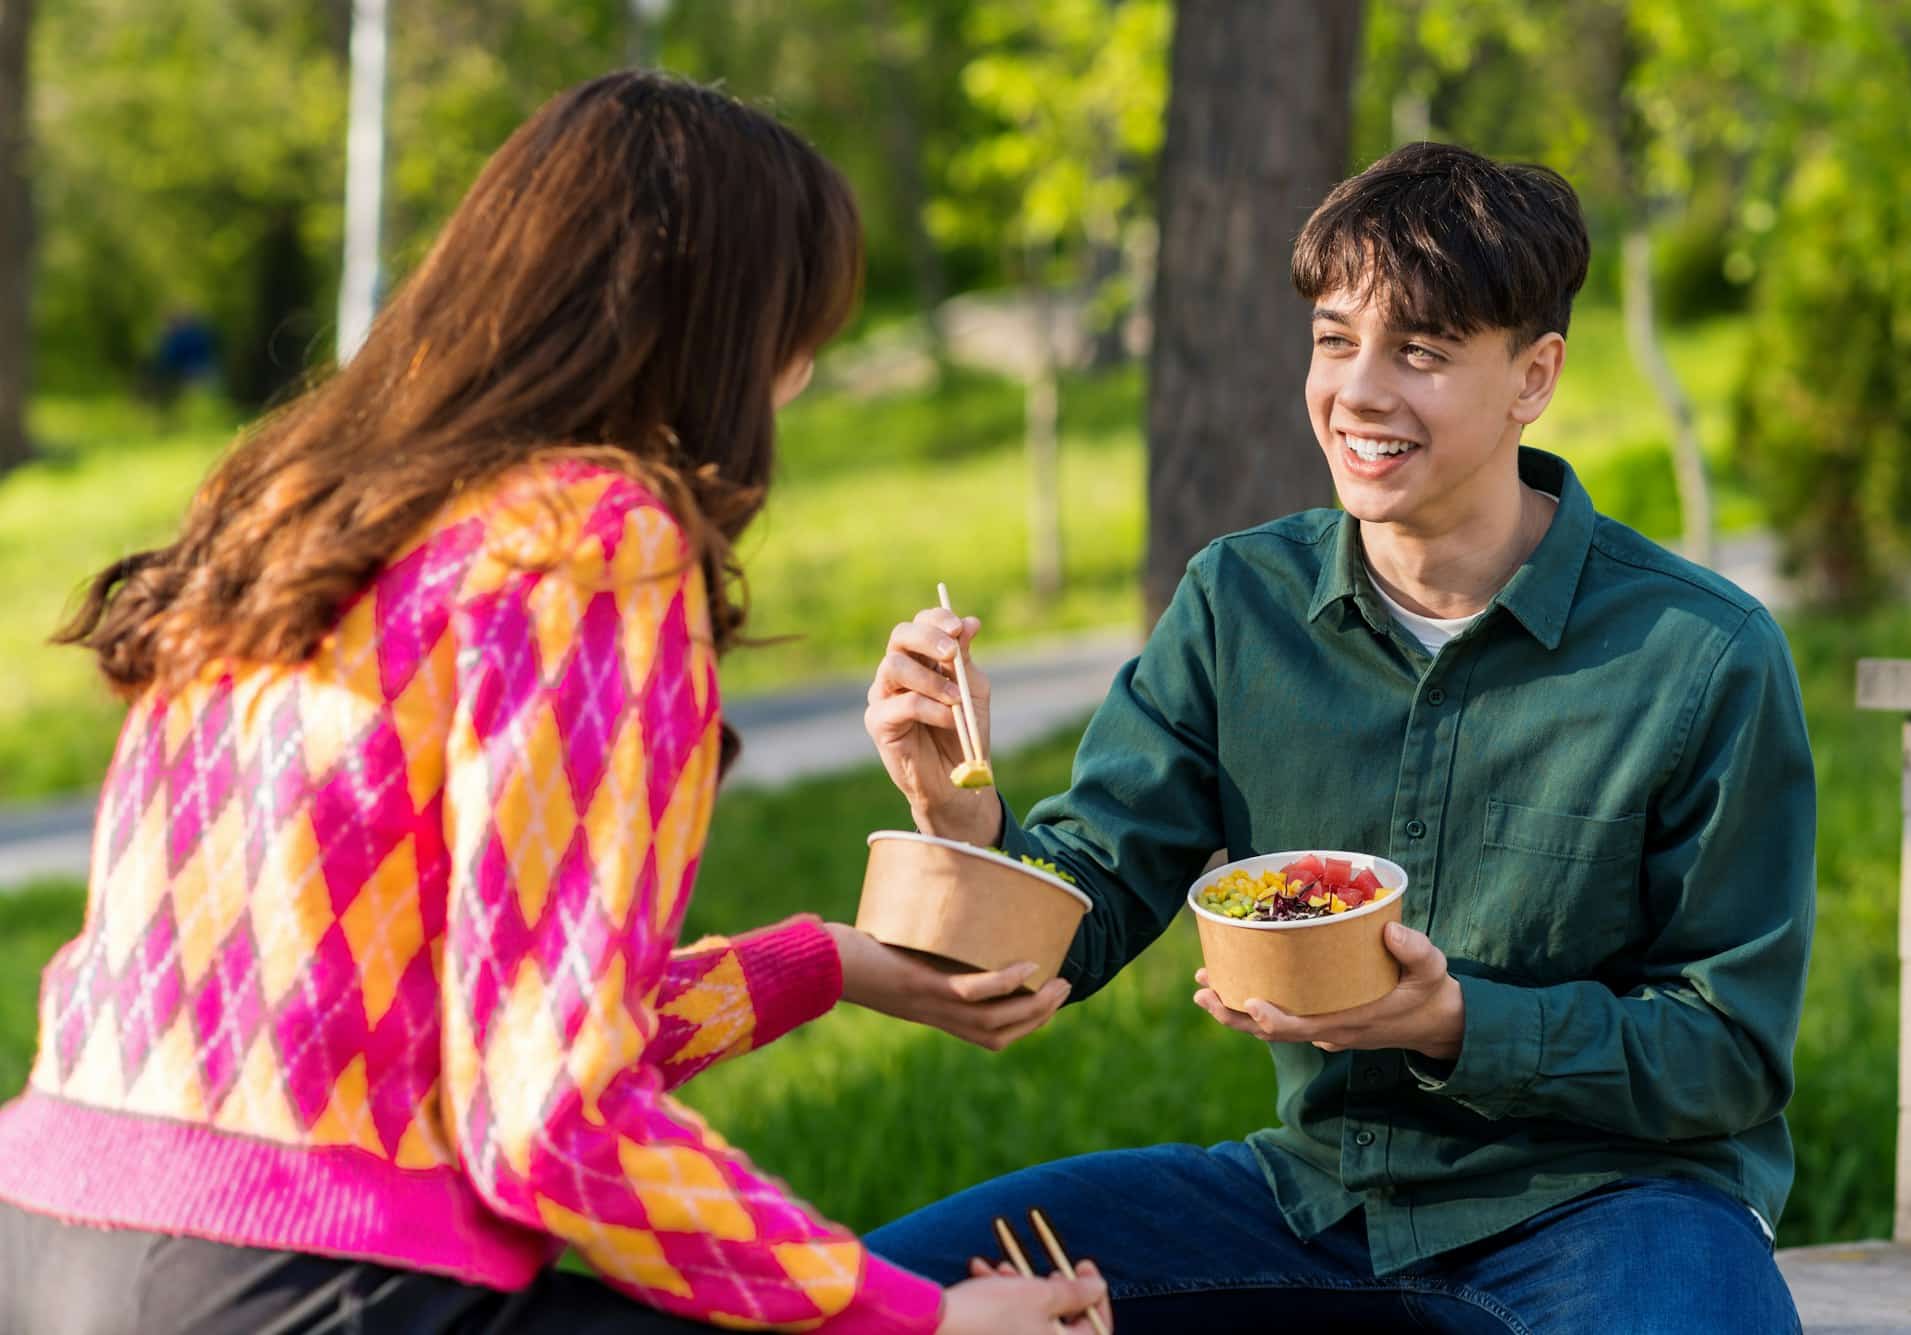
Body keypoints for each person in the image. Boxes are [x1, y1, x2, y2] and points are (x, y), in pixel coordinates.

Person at [0, 72, 1106, 1335]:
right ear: (727, 332)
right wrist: (924, 1323)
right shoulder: (589, 546)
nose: (793, 386)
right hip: (303, 1285)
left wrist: (823, 966)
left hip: (46, 1245)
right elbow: (545, 1124)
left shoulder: (302, 517)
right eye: (804, 333)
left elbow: (459, 1042)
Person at [861, 141, 1812, 1333]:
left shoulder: (1699, 654)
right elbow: (1075, 922)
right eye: (1332, 339)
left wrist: (1452, 1021)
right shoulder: (1236, 604)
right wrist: (961, 815)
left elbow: (1725, 1053)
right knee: (871, 1302)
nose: (1359, 392)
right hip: (1312, 1200)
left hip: (1616, 1206)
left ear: (1533, 375)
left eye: (1418, 352)